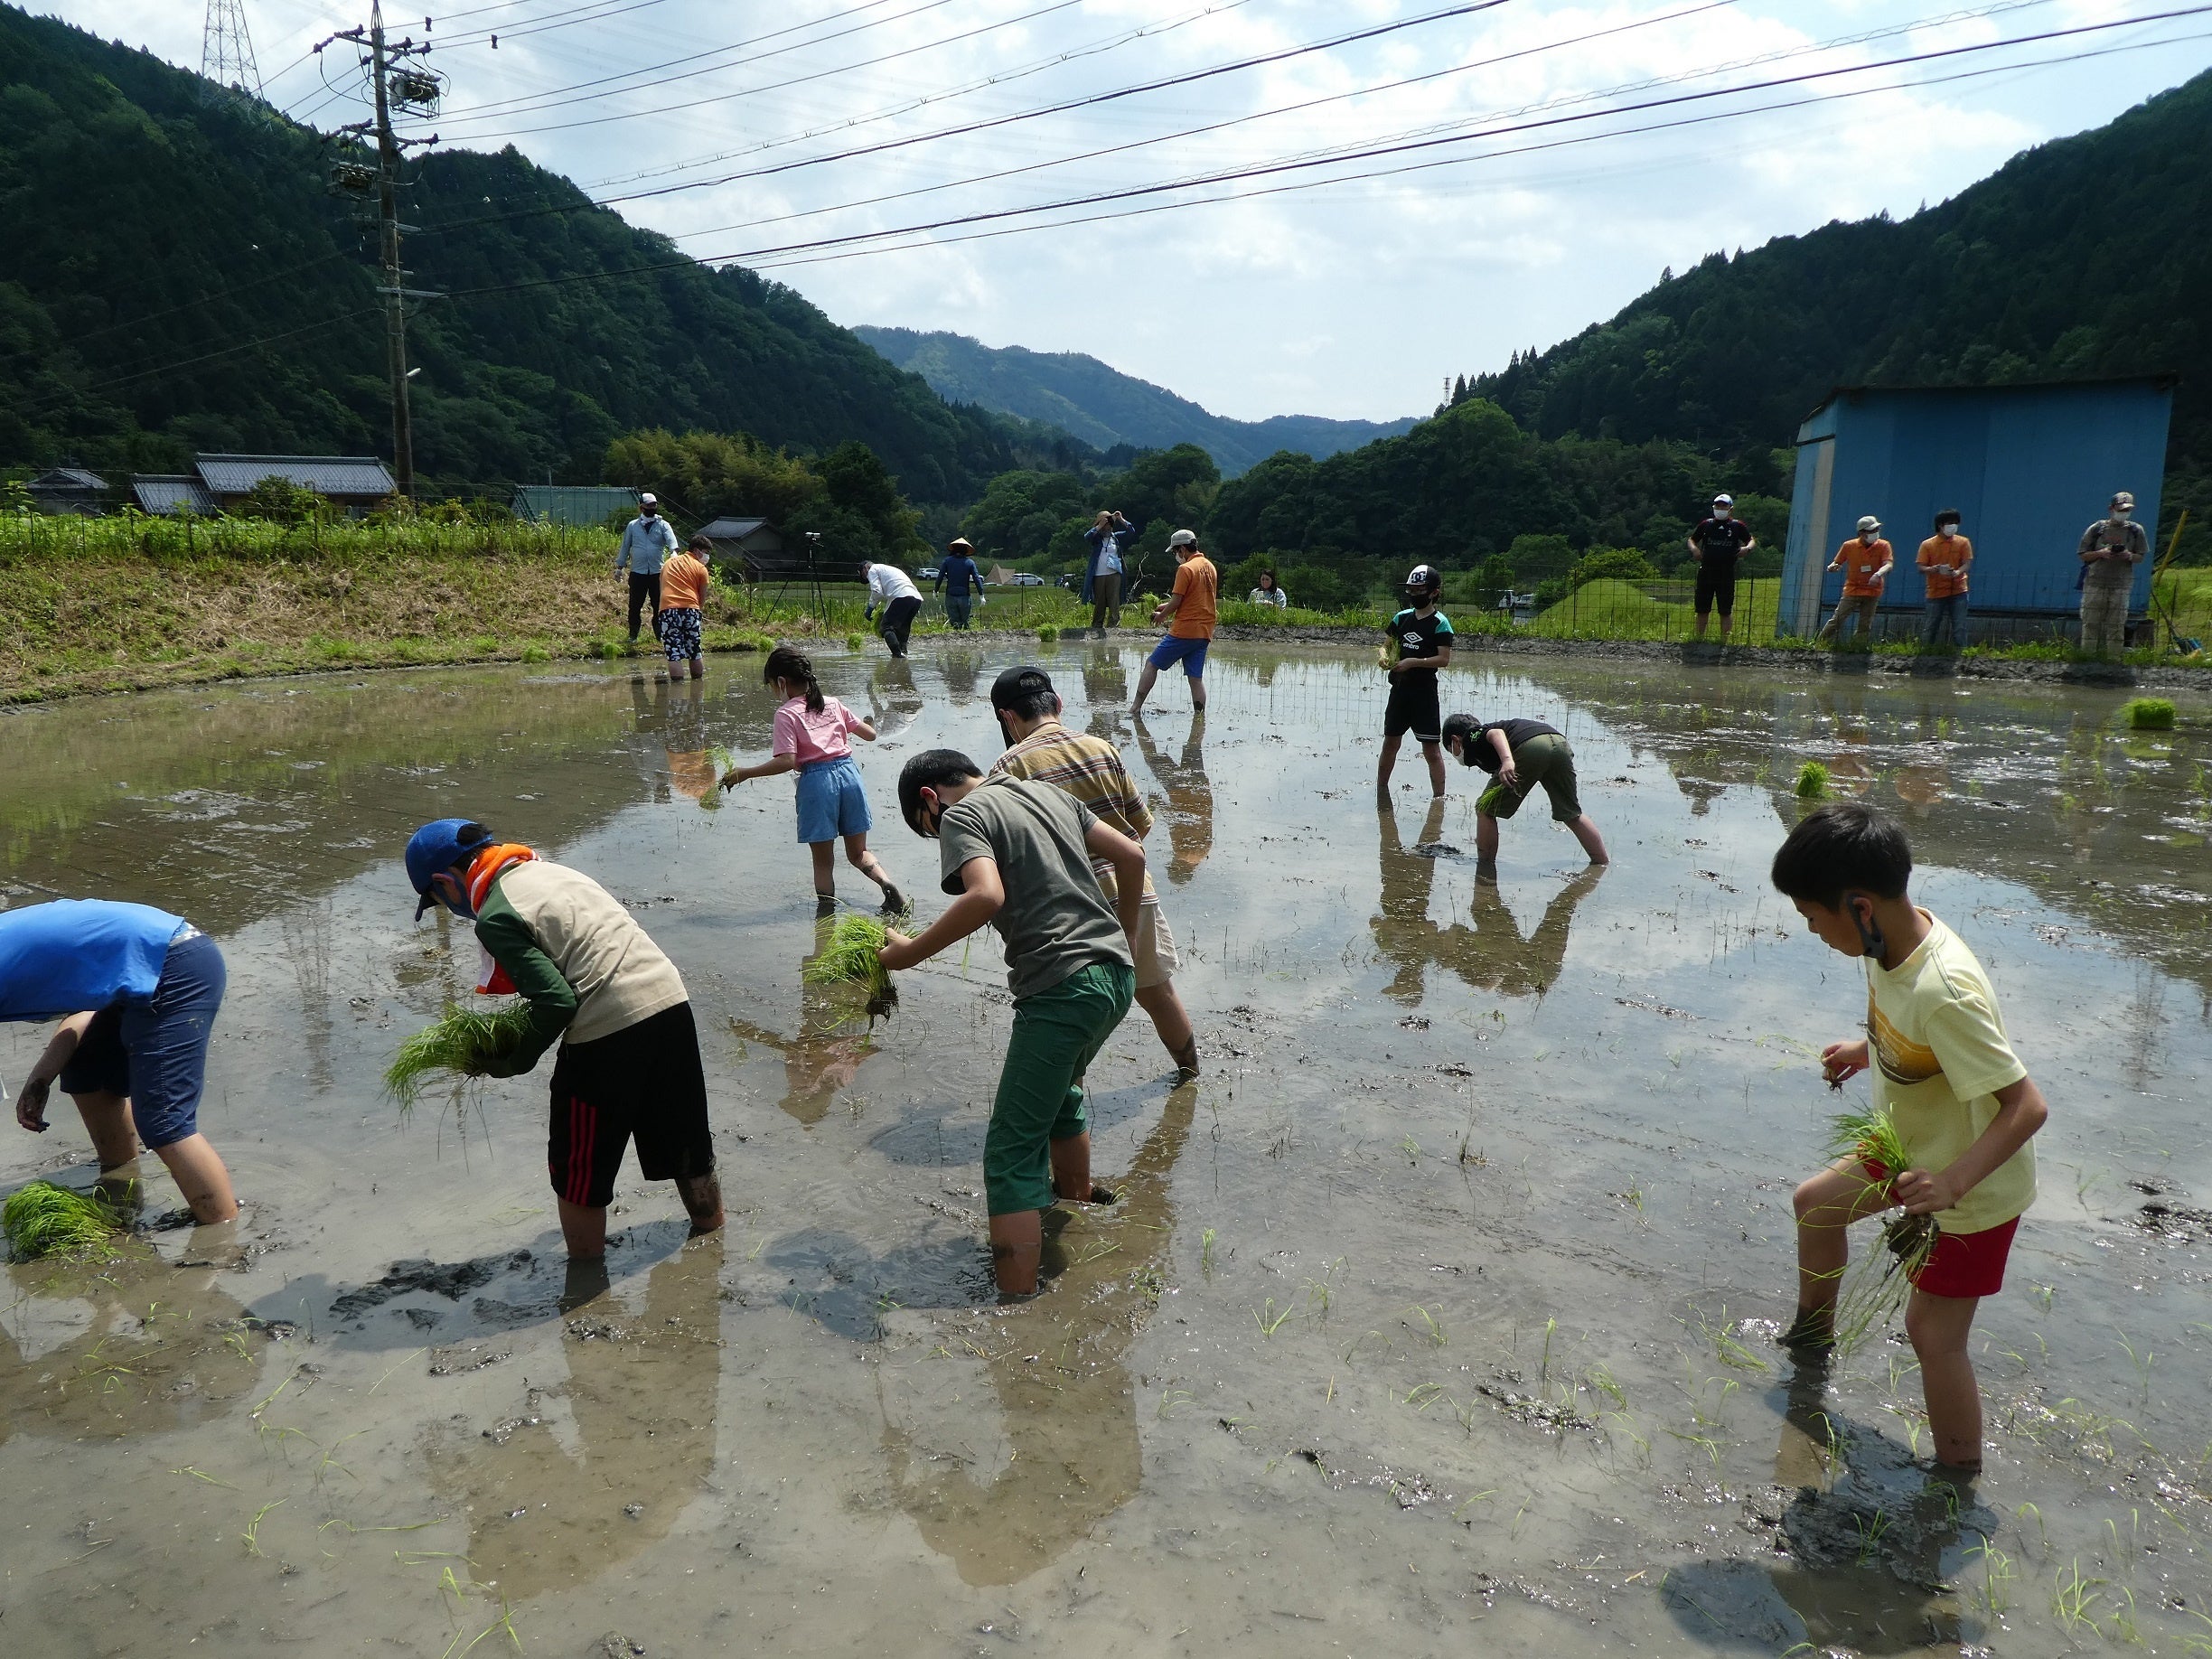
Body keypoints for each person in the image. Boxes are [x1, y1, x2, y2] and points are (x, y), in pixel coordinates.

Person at [1769, 801, 2048, 1474]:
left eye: (1812, 916)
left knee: (1932, 1334)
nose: (1811, 929)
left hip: (1969, 1188)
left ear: (1859, 907)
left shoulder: (1944, 989)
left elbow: (2027, 1106)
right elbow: (1910, 1029)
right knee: (1817, 1204)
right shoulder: (1888, 942)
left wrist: (1952, 1183)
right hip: (1909, 1150)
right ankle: (1812, 1343)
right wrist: (1868, 1048)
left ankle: (1956, 1480)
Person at [882, 751, 1147, 1297]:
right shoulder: (1047, 793)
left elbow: (985, 894)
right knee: (1060, 1097)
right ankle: (1073, 1204)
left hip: (1061, 986)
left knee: (1010, 1148)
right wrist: (1121, 936)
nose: (940, 840)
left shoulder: (961, 814)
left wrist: (909, 955)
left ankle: (1018, 1303)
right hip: (1114, 976)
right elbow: (1132, 854)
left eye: (927, 830)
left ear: (930, 799)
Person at [401, 819, 725, 1259]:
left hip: (608, 1029)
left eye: (438, 901)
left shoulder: (496, 914)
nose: (449, 910)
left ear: (445, 883)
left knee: (579, 1167)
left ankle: (585, 1280)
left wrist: (517, 1059)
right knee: (685, 1140)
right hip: (669, 1002)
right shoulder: (552, 871)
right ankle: (712, 1239)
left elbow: (556, 1001)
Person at [989, 665, 1201, 1086]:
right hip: (1132, 891)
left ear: (1008, 718)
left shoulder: (1008, 768)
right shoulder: (1102, 747)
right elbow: (1139, 826)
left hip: (1074, 910)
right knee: (1156, 991)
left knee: (1071, 1006)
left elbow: (1015, 852)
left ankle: (1066, 1102)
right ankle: (1190, 1074)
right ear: (1058, 704)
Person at [5, 899, 239, 1224]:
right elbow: (84, 1010)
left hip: (171, 964)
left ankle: (222, 1237)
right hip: (149, 961)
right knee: (87, 1069)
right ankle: (123, 1188)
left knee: (164, 1122)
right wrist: (40, 1080)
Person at [720, 646, 904, 913]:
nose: (775, 693)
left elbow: (788, 761)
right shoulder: (833, 703)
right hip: (850, 775)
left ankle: (826, 917)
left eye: (772, 686)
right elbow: (871, 735)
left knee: (823, 862)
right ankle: (886, 883)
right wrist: (863, 723)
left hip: (818, 783)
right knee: (858, 853)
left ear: (782, 683)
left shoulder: (786, 714)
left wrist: (745, 773)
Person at [1441, 713, 1609, 876]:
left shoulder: (1472, 736)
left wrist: (1507, 760)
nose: (1454, 755)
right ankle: (1601, 863)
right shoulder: (1485, 749)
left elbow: (1496, 734)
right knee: (1572, 813)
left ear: (1456, 740)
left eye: (1450, 750)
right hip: (1558, 743)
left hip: (1532, 745)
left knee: (1485, 809)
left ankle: (1485, 866)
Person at [1378, 564, 1455, 799]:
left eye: (1420, 590)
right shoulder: (1401, 618)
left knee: (1431, 749)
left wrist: (1412, 662)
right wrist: (1383, 657)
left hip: (1424, 694)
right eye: (1411, 590)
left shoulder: (1440, 623)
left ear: (1434, 593)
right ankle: (1381, 791)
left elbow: (1443, 659)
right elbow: (1386, 646)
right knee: (1391, 743)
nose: (1414, 595)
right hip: (1400, 691)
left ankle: (1439, 799)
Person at [1129, 530, 1218, 714]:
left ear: (1183, 549)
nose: (1175, 556)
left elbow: (1177, 601)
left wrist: (1162, 616)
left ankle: (1135, 707)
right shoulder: (1209, 566)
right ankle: (1199, 717)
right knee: (1195, 678)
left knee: (1152, 664)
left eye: (1175, 552)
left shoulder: (1185, 569)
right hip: (1205, 631)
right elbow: (1192, 598)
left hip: (1185, 630)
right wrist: (1166, 605)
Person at [2077, 491, 2148, 657]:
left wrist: (2128, 555)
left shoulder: (2136, 530)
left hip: (2121, 584)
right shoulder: (2097, 529)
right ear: (2111, 508)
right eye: (2121, 509)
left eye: (2127, 510)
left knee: (2116, 623)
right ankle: (2087, 657)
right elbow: (2082, 554)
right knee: (2091, 622)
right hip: (2095, 582)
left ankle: (2114, 659)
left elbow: (2140, 557)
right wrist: (2101, 553)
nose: (2124, 513)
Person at [1686, 492, 1756, 642]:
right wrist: (1695, 549)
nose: (1720, 508)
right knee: (1702, 609)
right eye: (1718, 505)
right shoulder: (1706, 524)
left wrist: (1747, 549)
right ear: (1714, 507)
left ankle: (1724, 641)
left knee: (1725, 610)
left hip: (1726, 573)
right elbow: (1692, 539)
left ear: (1730, 509)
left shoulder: (1737, 526)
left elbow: (1751, 540)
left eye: (1724, 506)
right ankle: (1698, 639)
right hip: (1706, 571)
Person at [615, 492, 680, 644]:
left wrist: (674, 553)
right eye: (649, 505)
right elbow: (625, 546)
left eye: (654, 505)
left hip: (657, 572)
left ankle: (659, 634)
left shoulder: (663, 525)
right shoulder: (633, 526)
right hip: (638, 572)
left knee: (659, 604)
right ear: (641, 507)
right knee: (635, 605)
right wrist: (619, 567)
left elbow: (672, 542)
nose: (652, 508)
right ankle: (633, 634)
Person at [1819, 516, 1893, 644]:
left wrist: (1878, 574)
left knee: (1865, 623)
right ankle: (1819, 643)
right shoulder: (1849, 546)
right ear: (1861, 533)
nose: (1875, 533)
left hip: (1873, 591)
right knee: (1837, 619)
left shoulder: (1884, 545)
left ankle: (1857, 648)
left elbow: (1888, 564)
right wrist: (1832, 567)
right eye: (1871, 531)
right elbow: (1837, 562)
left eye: (1876, 529)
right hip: (1852, 589)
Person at [656, 533, 713, 681]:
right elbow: (702, 597)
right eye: (706, 553)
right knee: (695, 651)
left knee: (673, 652)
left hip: (668, 609)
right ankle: (698, 689)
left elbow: (662, 588)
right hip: (691, 609)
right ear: (697, 551)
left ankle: (677, 694)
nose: (707, 557)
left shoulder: (669, 563)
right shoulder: (701, 568)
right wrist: (697, 614)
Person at [1917, 510, 1973, 648]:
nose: (1953, 526)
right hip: (1935, 591)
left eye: (1955, 523)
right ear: (1940, 525)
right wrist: (1935, 569)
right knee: (1931, 625)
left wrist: (1958, 572)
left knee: (1960, 626)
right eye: (1949, 523)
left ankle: (1961, 653)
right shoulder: (1927, 545)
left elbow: (1967, 562)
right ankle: (1925, 652)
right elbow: (1921, 567)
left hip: (1959, 590)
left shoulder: (1963, 542)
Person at [1083, 510, 1136, 637]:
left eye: (1110, 523)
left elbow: (1131, 532)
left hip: (1114, 574)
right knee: (1100, 601)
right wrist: (1100, 525)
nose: (1108, 526)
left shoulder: (1115, 537)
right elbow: (1087, 537)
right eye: (1106, 523)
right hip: (1098, 574)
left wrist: (1121, 519)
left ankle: (1114, 626)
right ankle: (1097, 625)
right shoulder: (1096, 538)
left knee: (1114, 600)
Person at [863, 559, 925, 658]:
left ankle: (897, 655)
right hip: (916, 598)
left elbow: (877, 591)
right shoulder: (888, 569)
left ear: (865, 568)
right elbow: (891, 592)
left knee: (886, 627)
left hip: (901, 596)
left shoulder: (872, 570)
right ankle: (904, 653)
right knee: (903, 628)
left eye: (863, 574)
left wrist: (870, 608)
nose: (866, 577)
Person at [936, 538, 986, 632]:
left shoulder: (947, 561)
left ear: (953, 549)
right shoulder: (970, 563)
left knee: (954, 623)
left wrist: (936, 590)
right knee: (965, 622)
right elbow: (976, 579)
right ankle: (966, 643)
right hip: (964, 596)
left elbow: (940, 576)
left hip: (950, 595)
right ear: (965, 550)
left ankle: (956, 642)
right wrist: (981, 595)